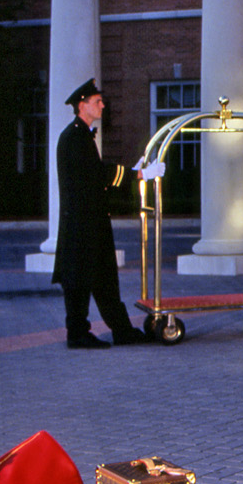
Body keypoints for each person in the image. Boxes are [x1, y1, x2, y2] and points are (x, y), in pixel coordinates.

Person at [52, 78, 147, 348]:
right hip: (82, 223)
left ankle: (121, 330)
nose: (103, 105)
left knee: (103, 277)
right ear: (83, 105)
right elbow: (96, 174)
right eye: (97, 101)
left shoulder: (79, 135)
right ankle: (79, 334)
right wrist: (136, 174)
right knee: (80, 280)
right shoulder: (74, 137)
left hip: (90, 220)